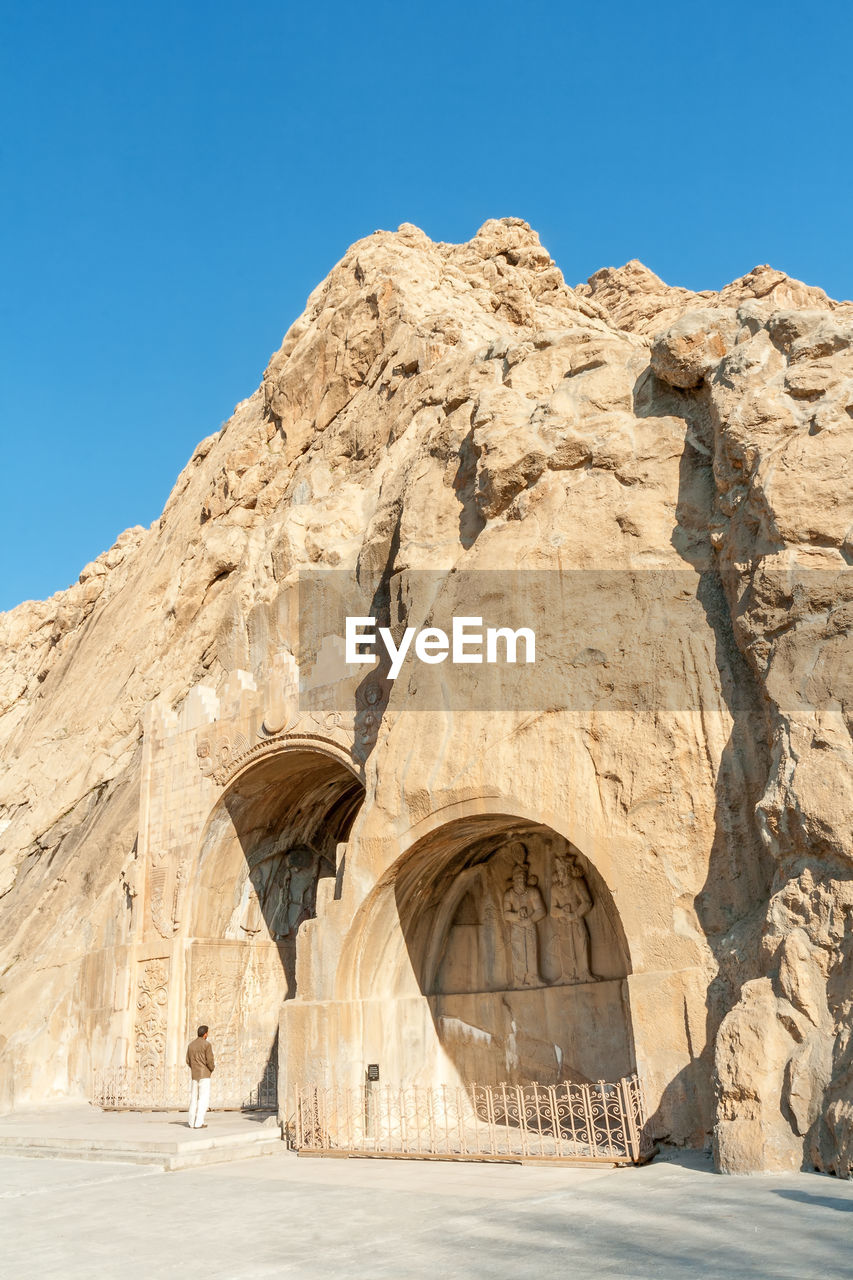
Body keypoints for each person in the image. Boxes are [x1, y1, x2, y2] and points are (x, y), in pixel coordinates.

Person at [186, 1025, 215, 1129]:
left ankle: (191, 1122)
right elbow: (210, 1060)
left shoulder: (191, 1045)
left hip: (195, 1075)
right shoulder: (207, 1045)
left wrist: (194, 1068)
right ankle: (199, 1122)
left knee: (193, 1098)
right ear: (205, 1034)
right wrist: (211, 1069)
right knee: (203, 1099)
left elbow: (188, 1061)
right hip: (205, 1075)